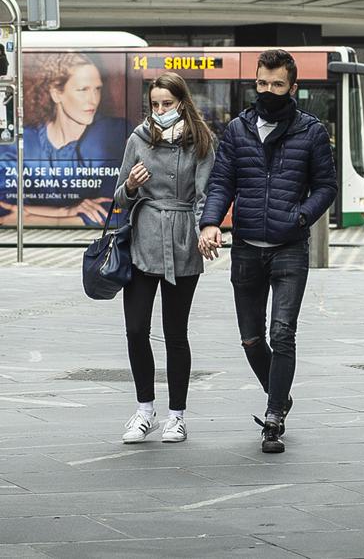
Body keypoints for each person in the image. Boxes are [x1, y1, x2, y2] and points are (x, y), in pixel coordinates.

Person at [198, 49, 337, 454]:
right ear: (254, 82)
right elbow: (222, 181)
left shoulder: (310, 131)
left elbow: (326, 186)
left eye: (278, 84)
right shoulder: (238, 130)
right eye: (262, 83)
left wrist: (300, 217)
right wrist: (210, 222)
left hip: (289, 248)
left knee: (283, 334)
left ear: (293, 87)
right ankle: (281, 394)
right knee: (251, 340)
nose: (269, 91)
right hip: (245, 248)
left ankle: (274, 414)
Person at [114, 73, 215, 444]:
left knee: (176, 334)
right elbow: (119, 198)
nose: (160, 111)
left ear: (182, 103)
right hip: (143, 242)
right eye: (154, 105)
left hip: (183, 243)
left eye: (167, 104)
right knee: (136, 329)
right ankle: (144, 410)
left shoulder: (201, 142)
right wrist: (130, 186)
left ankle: (177, 416)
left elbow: (206, 195)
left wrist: (207, 228)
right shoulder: (138, 139)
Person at [0, 52, 128, 226]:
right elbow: (4, 208)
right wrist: (66, 212)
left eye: (97, 89)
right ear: (56, 93)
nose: (93, 100)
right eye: (83, 90)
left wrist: (29, 216)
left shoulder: (111, 135)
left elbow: (114, 212)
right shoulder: (21, 143)